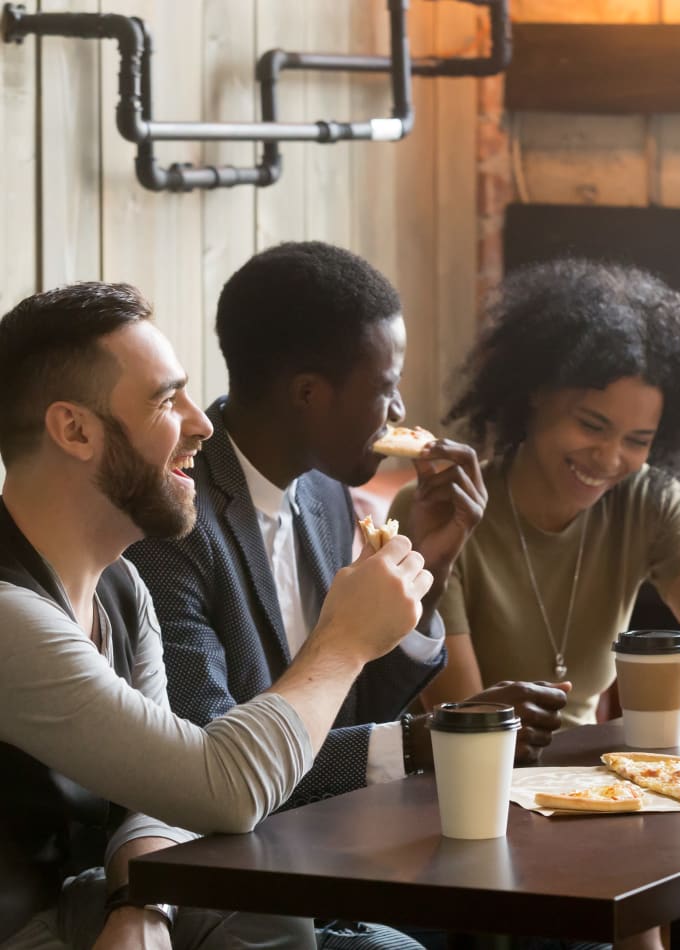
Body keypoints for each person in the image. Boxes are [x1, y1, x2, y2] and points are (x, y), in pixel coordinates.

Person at [0, 282, 431, 949]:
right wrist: (343, 641)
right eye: (166, 400)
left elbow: (151, 793)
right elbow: (219, 788)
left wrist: (138, 906)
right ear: (75, 430)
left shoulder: (121, 585)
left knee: (347, 933)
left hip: (89, 904)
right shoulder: (7, 617)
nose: (201, 423)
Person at [126, 241, 568, 809]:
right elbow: (217, 761)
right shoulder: (173, 522)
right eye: (386, 387)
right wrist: (419, 742)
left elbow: (355, 713)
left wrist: (430, 567)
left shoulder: (326, 492)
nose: (400, 411)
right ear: (308, 394)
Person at [391, 257, 680, 728]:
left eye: (637, 441)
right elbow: (470, 725)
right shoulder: (439, 511)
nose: (609, 458)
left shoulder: (650, 503)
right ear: (536, 392)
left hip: (584, 781)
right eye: (592, 425)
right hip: (452, 779)